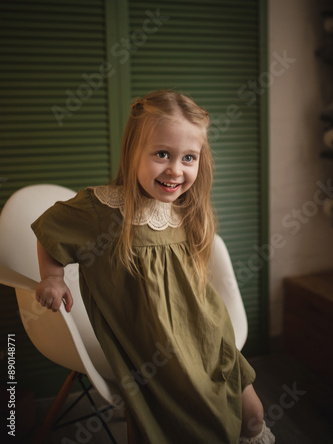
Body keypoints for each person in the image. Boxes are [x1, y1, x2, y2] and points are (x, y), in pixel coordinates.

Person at [32, 90, 275, 444]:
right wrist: (52, 277)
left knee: (253, 418)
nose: (175, 169)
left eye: (189, 157)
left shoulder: (185, 207)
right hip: (158, 354)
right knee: (192, 426)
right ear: (133, 152)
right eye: (163, 153)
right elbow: (48, 228)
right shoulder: (102, 209)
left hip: (208, 334)